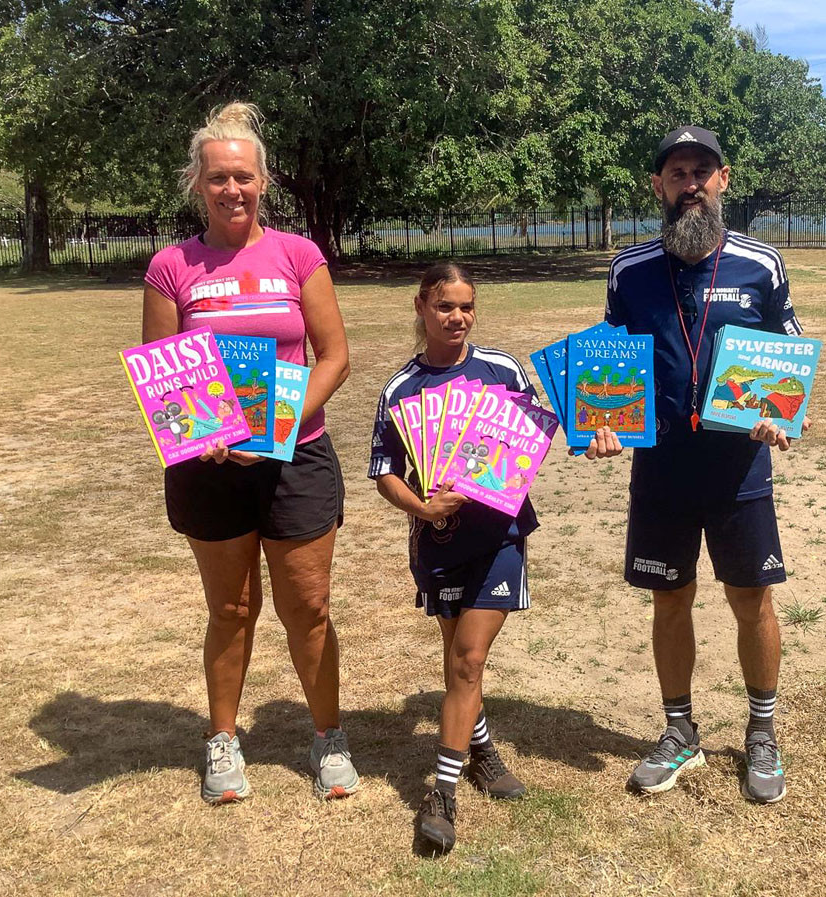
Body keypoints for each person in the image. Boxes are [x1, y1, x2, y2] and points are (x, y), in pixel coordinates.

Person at [141, 102, 358, 803]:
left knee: (310, 608)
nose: (231, 188)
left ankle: (327, 737)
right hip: (210, 469)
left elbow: (335, 356)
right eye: (217, 177)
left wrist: (280, 424)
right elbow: (162, 373)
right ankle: (224, 741)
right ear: (197, 184)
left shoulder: (298, 255)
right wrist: (197, 433)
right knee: (231, 610)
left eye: (244, 175)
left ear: (264, 181)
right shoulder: (172, 266)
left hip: (297, 458)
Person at [594, 126, 810, 804]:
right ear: (658, 186)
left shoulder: (760, 264)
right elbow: (609, 360)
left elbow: (791, 351)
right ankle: (680, 729)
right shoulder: (629, 270)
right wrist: (601, 420)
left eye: (702, 171)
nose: (690, 183)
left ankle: (763, 733)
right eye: (677, 172)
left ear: (724, 180)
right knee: (670, 598)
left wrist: (784, 407)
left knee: (751, 599)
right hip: (660, 466)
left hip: (739, 467)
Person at [368, 263, 535, 851]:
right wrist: (423, 507)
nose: (457, 318)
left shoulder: (503, 370)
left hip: (499, 537)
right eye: (444, 307)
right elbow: (382, 471)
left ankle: (441, 794)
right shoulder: (400, 389)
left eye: (466, 306)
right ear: (421, 307)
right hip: (437, 542)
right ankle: (481, 749)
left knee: (467, 660)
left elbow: (533, 436)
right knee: (459, 660)